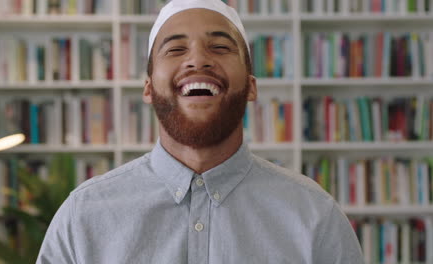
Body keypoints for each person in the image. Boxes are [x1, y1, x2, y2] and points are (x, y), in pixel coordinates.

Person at [37, 0, 364, 263]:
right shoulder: (84, 216)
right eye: (176, 49)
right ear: (149, 88)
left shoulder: (314, 215)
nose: (198, 60)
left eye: (220, 48)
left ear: (251, 86)